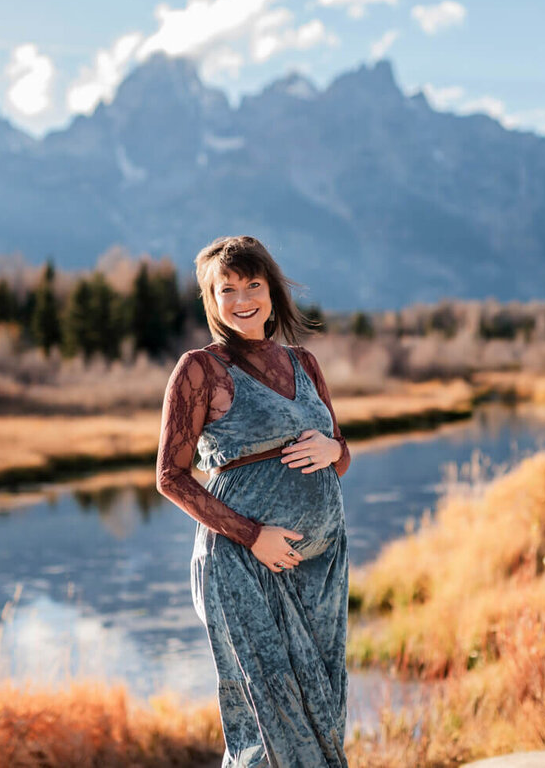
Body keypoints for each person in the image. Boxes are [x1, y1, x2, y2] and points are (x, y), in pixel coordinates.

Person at [155, 235, 352, 767]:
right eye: (227, 289)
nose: (242, 299)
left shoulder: (304, 362)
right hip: (243, 563)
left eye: (253, 285)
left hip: (322, 568)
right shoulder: (200, 368)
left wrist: (335, 448)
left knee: (324, 707)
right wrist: (253, 536)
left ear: (272, 291)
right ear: (211, 299)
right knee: (265, 719)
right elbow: (171, 476)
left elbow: (340, 454)